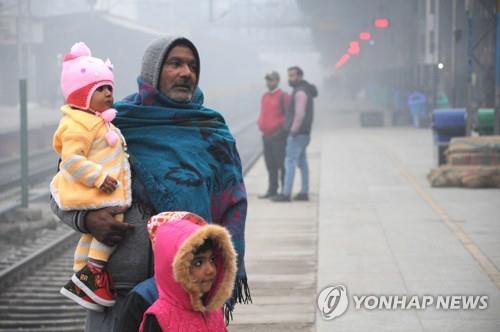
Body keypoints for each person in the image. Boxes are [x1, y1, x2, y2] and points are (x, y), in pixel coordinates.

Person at [50, 36, 250, 332]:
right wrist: (88, 218)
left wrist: (219, 275)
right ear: (152, 71)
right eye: (175, 63)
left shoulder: (211, 131)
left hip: (188, 291)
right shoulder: (111, 124)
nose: (186, 73)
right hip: (119, 291)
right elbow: (61, 189)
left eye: (192, 66)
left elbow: (232, 205)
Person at [51, 42, 132, 311]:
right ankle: (93, 272)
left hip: (101, 190)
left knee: (89, 237)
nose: (109, 94)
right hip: (98, 192)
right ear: (82, 95)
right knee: (109, 222)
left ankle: (80, 275)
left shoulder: (100, 122)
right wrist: (98, 178)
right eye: (100, 89)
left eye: (110, 87)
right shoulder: (80, 124)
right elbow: (71, 162)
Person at [135, 211, 236, 332]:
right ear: (175, 269)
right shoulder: (159, 318)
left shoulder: (213, 311)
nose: (211, 270)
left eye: (212, 259)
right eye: (198, 263)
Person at [272, 66, 318, 202]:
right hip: (304, 133)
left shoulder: (300, 92)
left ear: (300, 76)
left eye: (292, 75)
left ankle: (286, 194)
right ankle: (304, 192)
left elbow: (300, 114)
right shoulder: (303, 90)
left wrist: (292, 131)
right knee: (302, 162)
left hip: (298, 134)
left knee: (290, 161)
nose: (290, 78)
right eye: (289, 75)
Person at [257, 71, 289, 199]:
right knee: (270, 164)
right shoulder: (264, 96)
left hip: (278, 136)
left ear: (277, 81)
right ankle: (272, 190)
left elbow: (288, 116)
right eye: (267, 80)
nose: (269, 82)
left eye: (271, 80)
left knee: (281, 164)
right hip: (266, 136)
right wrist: (260, 124)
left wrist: (281, 131)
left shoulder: (283, 96)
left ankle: (284, 191)